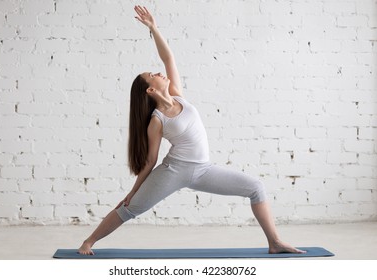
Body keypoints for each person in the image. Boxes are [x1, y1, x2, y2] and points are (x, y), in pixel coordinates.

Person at [78, 5, 305, 255]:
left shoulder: (178, 97)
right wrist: (133, 191)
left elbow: (169, 58)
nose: (158, 71)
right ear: (150, 91)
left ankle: (274, 242)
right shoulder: (156, 120)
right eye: (152, 75)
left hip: (203, 170)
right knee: (130, 209)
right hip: (174, 172)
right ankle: (88, 242)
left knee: (256, 187)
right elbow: (151, 160)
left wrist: (154, 28)